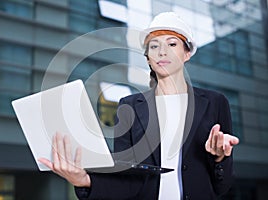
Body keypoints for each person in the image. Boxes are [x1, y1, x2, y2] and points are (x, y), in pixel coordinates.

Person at [39, 12, 240, 200]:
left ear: (187, 53)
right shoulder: (129, 107)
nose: (162, 52)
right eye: (154, 46)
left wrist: (220, 158)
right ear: (148, 59)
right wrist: (85, 181)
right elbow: (127, 181)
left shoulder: (215, 102)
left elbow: (222, 187)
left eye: (171, 44)